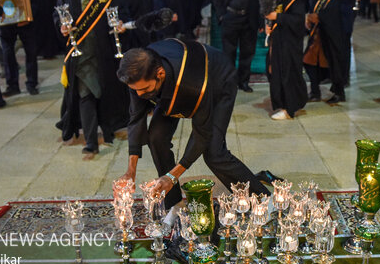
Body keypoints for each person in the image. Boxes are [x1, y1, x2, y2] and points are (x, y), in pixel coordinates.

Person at [116, 39, 272, 215]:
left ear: (159, 73)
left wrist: (172, 175)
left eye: (144, 90)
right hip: (174, 82)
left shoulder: (192, 85)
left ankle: (263, 200)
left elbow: (201, 134)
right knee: (156, 138)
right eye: (135, 90)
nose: (139, 95)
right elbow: (136, 118)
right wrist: (130, 171)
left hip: (219, 80)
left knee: (214, 153)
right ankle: (174, 204)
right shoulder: (140, 75)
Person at [55, 0, 130, 159]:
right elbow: (59, 15)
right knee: (84, 93)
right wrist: (62, 27)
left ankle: (107, 129)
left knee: (102, 91)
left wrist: (120, 22)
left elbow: (120, 10)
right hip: (80, 52)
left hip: (104, 51)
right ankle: (90, 142)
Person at [264, 0, 308, 120]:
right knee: (275, 71)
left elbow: (297, 19)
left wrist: (278, 17)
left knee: (288, 72)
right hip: (278, 37)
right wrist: (270, 25)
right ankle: (281, 104)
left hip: (290, 40)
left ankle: (289, 108)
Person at [325, 0, 364, 86]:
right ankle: (331, 74)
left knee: (343, 46)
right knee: (329, 46)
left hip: (344, 12)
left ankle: (343, 77)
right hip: (329, 14)